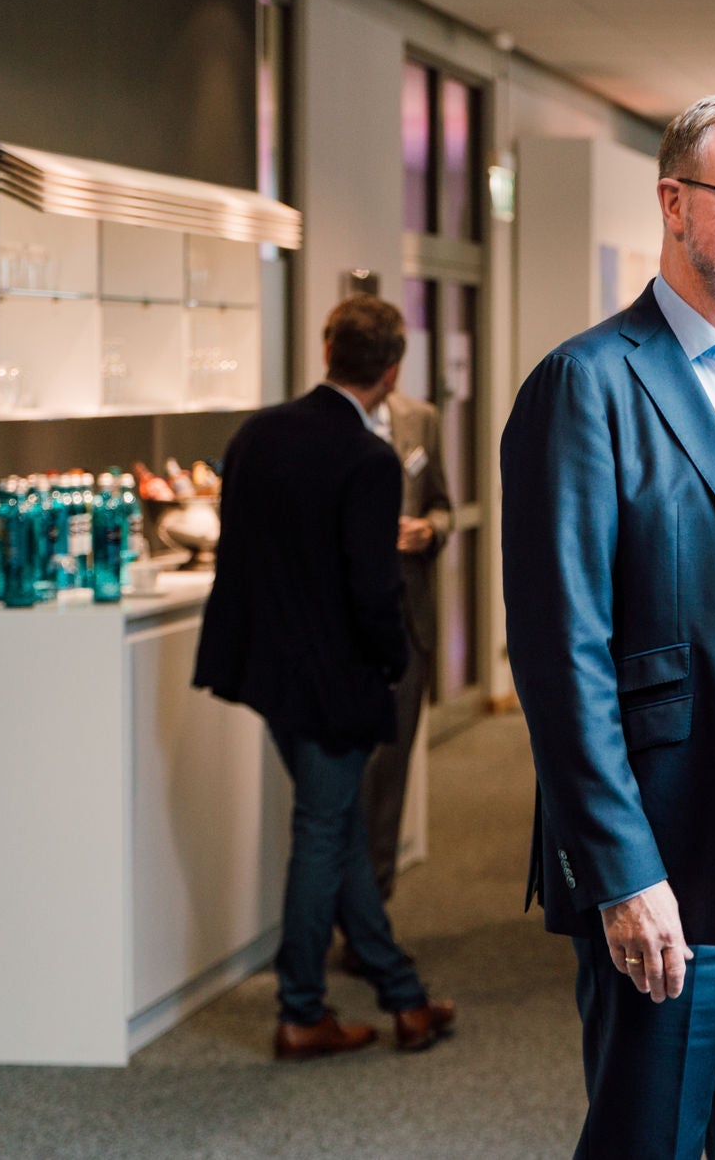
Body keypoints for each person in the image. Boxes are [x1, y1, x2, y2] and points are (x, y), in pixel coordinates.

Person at [501, 94, 715, 1160]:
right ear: (673, 202)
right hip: (669, 864)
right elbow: (561, 652)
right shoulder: (587, 383)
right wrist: (619, 870)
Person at [193, 296, 455, 1060]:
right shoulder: (367, 460)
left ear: (326, 348)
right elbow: (373, 590)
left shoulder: (256, 434)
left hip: (267, 670)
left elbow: (233, 555)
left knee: (332, 823)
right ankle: (301, 1007)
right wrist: (392, 662)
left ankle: (402, 993)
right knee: (321, 831)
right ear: (393, 367)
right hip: (336, 678)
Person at [362, 386, 451, 902]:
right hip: (349, 628)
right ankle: (345, 911)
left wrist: (430, 530)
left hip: (409, 620)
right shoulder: (331, 421)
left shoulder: (421, 418)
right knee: (345, 783)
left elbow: (443, 504)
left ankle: (374, 907)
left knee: (391, 777)